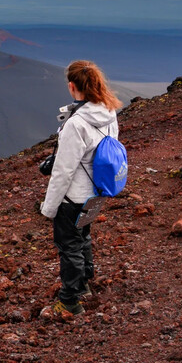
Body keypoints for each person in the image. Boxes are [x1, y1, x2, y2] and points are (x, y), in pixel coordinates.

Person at [40, 60, 122, 315]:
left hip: (73, 198)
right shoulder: (108, 112)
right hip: (96, 193)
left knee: (69, 247)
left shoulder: (76, 124)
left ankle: (69, 301)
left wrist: (49, 208)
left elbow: (63, 171)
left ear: (72, 86)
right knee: (83, 236)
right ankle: (85, 283)